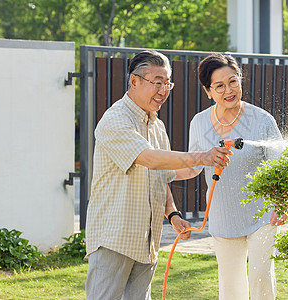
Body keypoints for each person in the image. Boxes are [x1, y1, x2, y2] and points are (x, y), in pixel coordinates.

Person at [84, 50, 232, 300]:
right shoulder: (116, 120)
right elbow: (151, 159)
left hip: (147, 241)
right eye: (157, 82)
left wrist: (172, 214)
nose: (163, 90)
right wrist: (201, 156)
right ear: (134, 81)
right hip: (115, 239)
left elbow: (162, 174)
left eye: (167, 83)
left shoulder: (156, 125)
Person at [175, 53, 288, 300]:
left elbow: (282, 169)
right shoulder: (199, 123)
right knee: (231, 287)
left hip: (262, 214)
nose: (229, 90)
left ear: (240, 80)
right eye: (220, 86)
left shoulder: (262, 120)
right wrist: (161, 173)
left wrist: (282, 204)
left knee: (260, 276)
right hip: (223, 215)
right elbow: (193, 166)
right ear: (208, 91)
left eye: (233, 81)